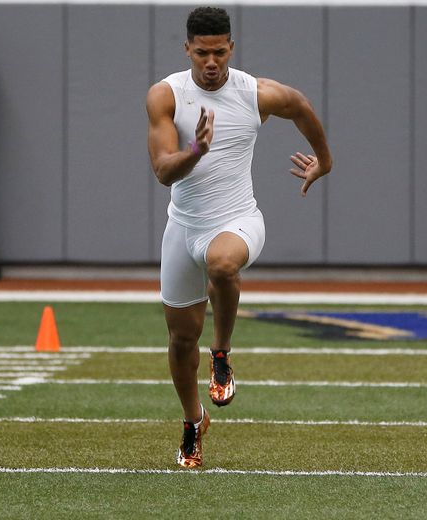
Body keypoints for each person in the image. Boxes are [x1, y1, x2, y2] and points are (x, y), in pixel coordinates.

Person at [146, 6, 332, 468]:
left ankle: (223, 351)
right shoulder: (166, 95)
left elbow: (301, 106)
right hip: (183, 227)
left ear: (232, 47)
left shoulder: (255, 92)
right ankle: (193, 423)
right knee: (179, 340)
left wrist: (323, 160)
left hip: (238, 220)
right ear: (188, 49)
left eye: (220, 52)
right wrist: (196, 150)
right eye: (203, 53)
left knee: (222, 263)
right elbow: (163, 172)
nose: (212, 62)